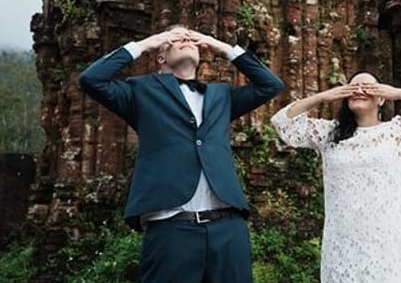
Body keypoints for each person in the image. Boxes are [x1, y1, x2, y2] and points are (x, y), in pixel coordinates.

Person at [79, 26, 285, 283]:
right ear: (161, 56)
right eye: (176, 38)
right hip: (171, 228)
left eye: (191, 39)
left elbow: (271, 85)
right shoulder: (140, 91)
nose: (186, 40)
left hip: (228, 228)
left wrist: (220, 46)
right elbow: (91, 79)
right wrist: (146, 42)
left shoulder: (221, 94)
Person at [271, 72, 401, 283]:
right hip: (346, 242)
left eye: (368, 87)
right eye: (353, 87)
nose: (359, 90)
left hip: (393, 240)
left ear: (381, 98)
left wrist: (396, 93)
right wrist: (322, 97)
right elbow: (282, 122)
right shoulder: (329, 135)